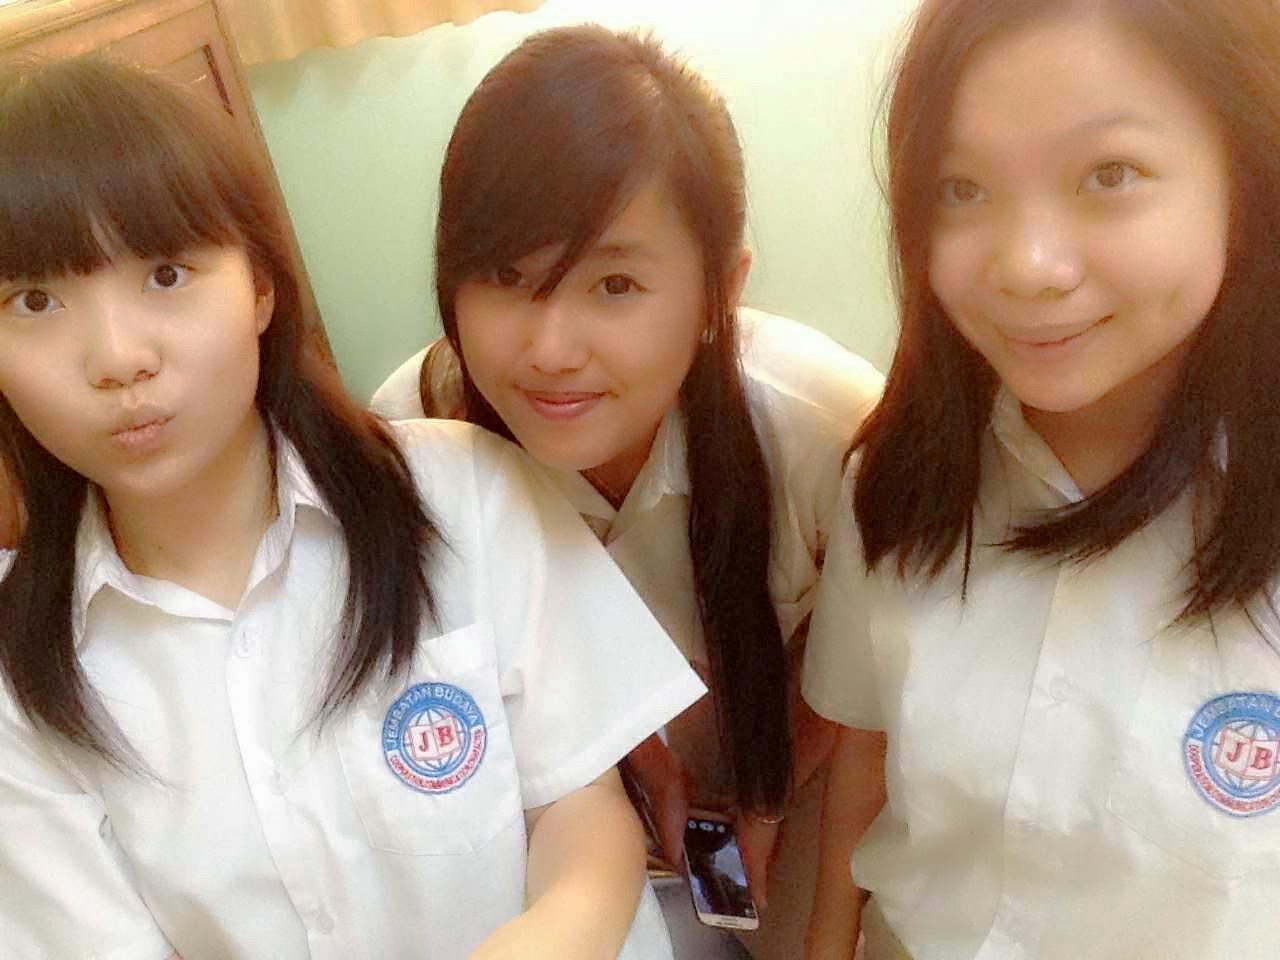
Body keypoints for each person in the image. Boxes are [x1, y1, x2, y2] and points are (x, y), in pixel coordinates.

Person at [0, 56, 708, 960]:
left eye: (167, 275)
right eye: (34, 300)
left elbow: (581, 803)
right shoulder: (20, 672)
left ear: (260, 286)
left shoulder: (462, 492)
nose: (117, 357)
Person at [371, 24, 883, 959]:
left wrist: (766, 794)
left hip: (806, 761)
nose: (550, 351)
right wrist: (637, 761)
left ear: (720, 292)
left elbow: (872, 660)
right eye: (506, 276)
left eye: (614, 284)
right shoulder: (420, 436)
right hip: (576, 799)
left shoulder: (823, 428)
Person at [802, 1, 1280, 957]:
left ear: (1248, 176)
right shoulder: (897, 480)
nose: (1027, 267)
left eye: (1110, 174)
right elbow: (868, 749)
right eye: (962, 188)